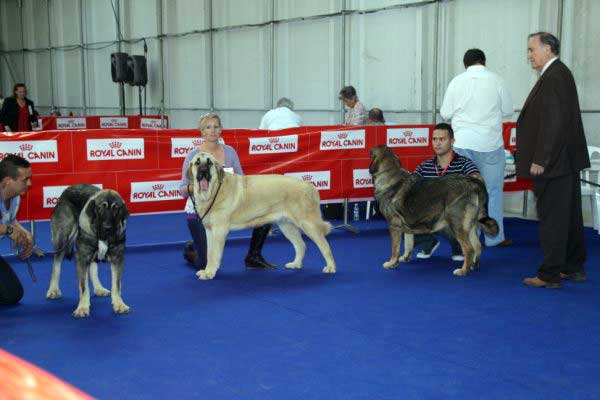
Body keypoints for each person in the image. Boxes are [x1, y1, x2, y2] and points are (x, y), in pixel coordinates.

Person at [516, 32, 590, 289]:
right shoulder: (558, 74)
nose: (529, 55)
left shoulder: (554, 76)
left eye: (531, 49)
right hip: (564, 161)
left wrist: (541, 158)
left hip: (553, 162)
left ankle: (549, 274)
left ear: (548, 48)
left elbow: (554, 122)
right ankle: (573, 266)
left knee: (553, 219)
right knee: (568, 217)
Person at [180, 112, 276, 271]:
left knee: (265, 209)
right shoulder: (193, 155)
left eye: (216, 127)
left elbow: (241, 179)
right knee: (203, 263)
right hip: (200, 210)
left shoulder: (230, 152)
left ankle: (254, 255)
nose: (212, 130)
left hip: (227, 205)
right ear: (202, 131)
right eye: (208, 127)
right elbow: (182, 189)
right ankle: (191, 250)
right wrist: (199, 186)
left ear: (221, 129)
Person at [440, 49, 513, 248]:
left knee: (462, 194)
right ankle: (494, 238)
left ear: (465, 64)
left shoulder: (456, 81)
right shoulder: (497, 80)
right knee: (493, 191)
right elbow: (507, 110)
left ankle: (462, 238)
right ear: (484, 62)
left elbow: (445, 113)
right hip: (490, 143)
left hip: (462, 143)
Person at [412, 123, 481, 261]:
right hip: (430, 213)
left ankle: (459, 248)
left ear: (452, 141)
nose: (437, 143)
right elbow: (410, 188)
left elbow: (477, 181)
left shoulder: (464, 164)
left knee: (454, 213)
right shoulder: (424, 167)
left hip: (455, 214)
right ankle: (428, 243)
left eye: (442, 139)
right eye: (434, 139)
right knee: (402, 216)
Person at [0, 155, 34, 306]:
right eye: (25, 180)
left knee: (13, 295)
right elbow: (6, 226)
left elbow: (9, 219)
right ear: (8, 181)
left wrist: (23, 233)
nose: (30, 183)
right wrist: (8, 230)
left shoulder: (15, 197)